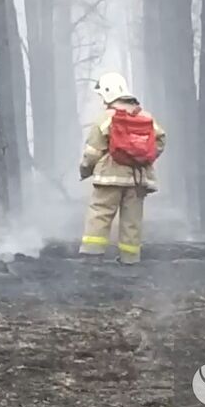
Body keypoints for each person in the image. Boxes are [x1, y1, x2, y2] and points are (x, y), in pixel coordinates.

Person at [78, 73, 165, 265]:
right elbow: (160, 140)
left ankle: (92, 256)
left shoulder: (106, 118)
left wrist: (85, 170)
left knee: (100, 214)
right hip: (138, 178)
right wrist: (144, 158)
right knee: (132, 220)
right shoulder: (145, 117)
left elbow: (92, 151)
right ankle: (130, 259)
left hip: (109, 177)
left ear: (108, 93)